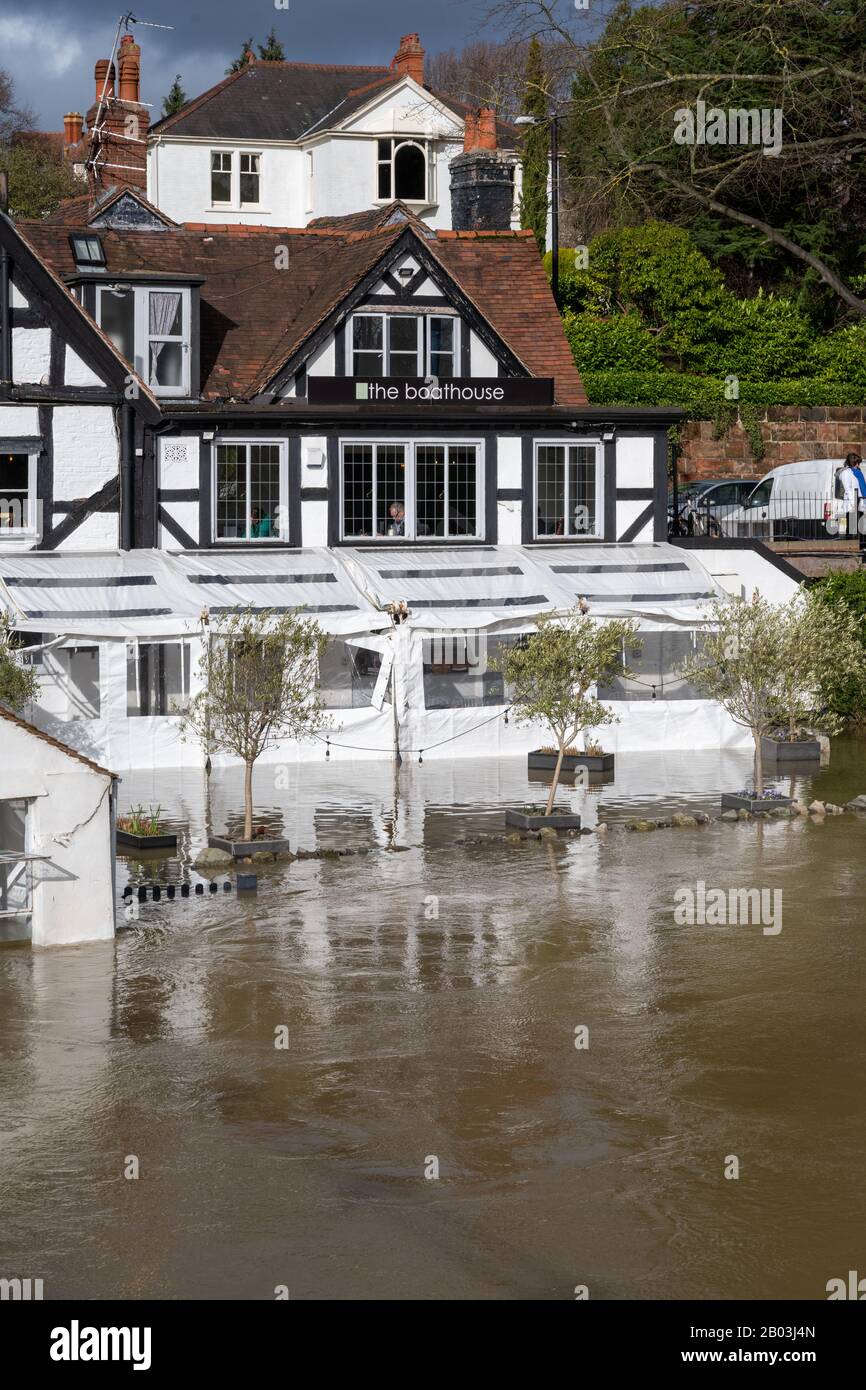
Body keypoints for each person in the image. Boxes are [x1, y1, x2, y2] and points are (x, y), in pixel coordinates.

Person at [836, 452, 866, 547]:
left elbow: (861, 487)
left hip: (860, 501)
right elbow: (848, 488)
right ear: (853, 462)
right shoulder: (846, 473)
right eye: (857, 463)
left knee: (861, 526)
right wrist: (853, 502)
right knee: (852, 527)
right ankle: (851, 546)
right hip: (852, 503)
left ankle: (862, 546)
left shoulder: (858, 472)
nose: (858, 465)